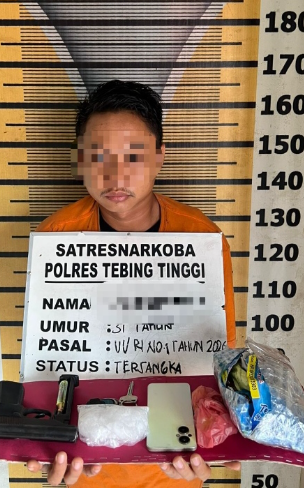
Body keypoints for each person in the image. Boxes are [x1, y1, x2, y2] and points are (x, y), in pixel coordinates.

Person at [27, 80, 239, 487]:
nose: (116, 175)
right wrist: (45, 446)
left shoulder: (202, 240)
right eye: (98, 157)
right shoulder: (55, 238)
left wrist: (224, 442)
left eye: (134, 156)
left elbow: (218, 358)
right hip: (88, 461)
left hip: (174, 463)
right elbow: (47, 363)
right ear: (79, 160)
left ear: (160, 157)